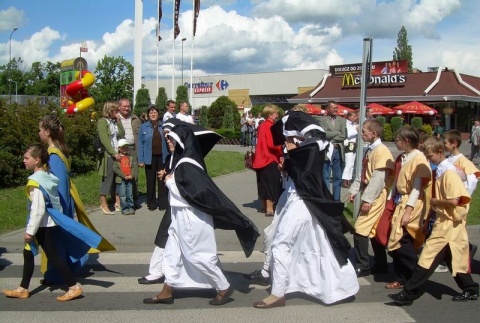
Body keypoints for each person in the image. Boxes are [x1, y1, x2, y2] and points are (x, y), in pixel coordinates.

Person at [143, 124, 259, 305]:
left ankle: (223, 286)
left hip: (191, 217)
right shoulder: (185, 162)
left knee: (197, 254)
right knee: (172, 253)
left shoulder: (187, 164)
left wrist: (168, 181)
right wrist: (171, 179)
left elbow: (192, 193)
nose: (168, 140)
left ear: (181, 140)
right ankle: (167, 290)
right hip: (179, 216)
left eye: (171, 138)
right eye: (168, 137)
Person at [252, 111, 358, 309]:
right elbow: (299, 174)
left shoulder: (311, 147)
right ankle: (333, 286)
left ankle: (278, 293)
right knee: (314, 243)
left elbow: (306, 177)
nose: (285, 140)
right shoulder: (306, 147)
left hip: (302, 202)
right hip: (295, 199)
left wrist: (292, 154)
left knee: (282, 243)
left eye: (287, 136)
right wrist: (288, 162)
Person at [388, 137, 479, 305]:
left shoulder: (448, 173)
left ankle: (408, 294)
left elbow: (457, 200)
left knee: (426, 258)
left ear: (440, 153)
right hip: (446, 223)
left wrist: (437, 203)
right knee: (453, 259)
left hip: (448, 224)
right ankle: (470, 289)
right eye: (427, 158)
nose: (429, 161)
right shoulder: (443, 171)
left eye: (430, 157)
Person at [2, 144, 93, 302]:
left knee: (54, 257)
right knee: (28, 253)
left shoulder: (35, 181)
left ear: (37, 160)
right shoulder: (47, 176)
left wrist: (30, 231)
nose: (23, 161)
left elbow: (38, 209)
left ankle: (73, 287)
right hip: (47, 223)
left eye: (27, 158)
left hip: (42, 225)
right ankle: (23, 288)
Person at [38, 115, 115, 285]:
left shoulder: (53, 155)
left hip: (59, 205)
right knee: (60, 240)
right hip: (63, 202)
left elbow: (58, 184)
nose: (38, 133)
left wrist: (57, 210)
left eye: (40, 130)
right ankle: (58, 272)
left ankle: (57, 275)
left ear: (48, 132)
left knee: (56, 242)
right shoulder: (58, 151)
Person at [386, 126, 431, 290]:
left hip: (411, 202)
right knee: (397, 240)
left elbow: (417, 188)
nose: (395, 143)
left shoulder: (418, 159)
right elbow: (398, 182)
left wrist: (408, 211)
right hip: (400, 201)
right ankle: (402, 276)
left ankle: (415, 275)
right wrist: (390, 199)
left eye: (397, 140)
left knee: (402, 240)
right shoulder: (403, 157)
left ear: (406, 141)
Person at [348, 119, 394, 277]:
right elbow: (362, 173)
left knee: (360, 229)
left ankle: (363, 265)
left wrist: (368, 200)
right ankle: (381, 264)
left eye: (364, 131)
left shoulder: (381, 151)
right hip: (370, 191)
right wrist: (354, 190)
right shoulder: (371, 150)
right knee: (373, 230)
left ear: (373, 134)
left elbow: (378, 179)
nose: (361, 134)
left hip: (376, 194)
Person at [251, 104, 283, 217]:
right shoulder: (270, 126)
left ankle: (265, 207)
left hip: (260, 159)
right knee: (271, 184)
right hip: (270, 159)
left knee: (262, 184)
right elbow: (272, 145)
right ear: (270, 115)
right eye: (276, 113)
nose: (277, 115)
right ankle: (270, 209)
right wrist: (281, 148)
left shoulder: (262, 125)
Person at [138, 105, 168, 211]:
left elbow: (169, 140)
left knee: (162, 180)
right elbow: (140, 144)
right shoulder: (143, 127)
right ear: (148, 115)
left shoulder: (163, 126)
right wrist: (141, 160)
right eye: (151, 113)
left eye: (155, 112)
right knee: (150, 181)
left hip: (162, 157)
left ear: (158, 114)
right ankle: (151, 203)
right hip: (149, 157)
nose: (153, 114)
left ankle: (162, 203)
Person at [97, 101, 125, 215]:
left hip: (117, 153)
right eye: (116, 110)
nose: (118, 112)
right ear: (110, 111)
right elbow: (104, 139)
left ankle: (117, 202)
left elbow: (122, 134)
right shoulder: (102, 122)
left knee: (118, 179)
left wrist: (119, 122)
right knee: (107, 179)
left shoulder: (114, 122)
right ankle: (103, 203)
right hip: (109, 155)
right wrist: (113, 153)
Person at [319, 101, 347, 201]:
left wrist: (331, 135)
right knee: (325, 176)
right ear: (327, 109)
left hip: (338, 150)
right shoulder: (322, 120)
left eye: (336, 107)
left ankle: (336, 200)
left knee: (338, 177)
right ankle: (327, 199)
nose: (335, 109)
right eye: (333, 108)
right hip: (326, 151)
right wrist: (336, 133)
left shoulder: (342, 120)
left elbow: (344, 135)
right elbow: (323, 134)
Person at [117, 98, 141, 208]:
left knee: (134, 174)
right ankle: (122, 202)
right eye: (124, 106)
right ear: (119, 107)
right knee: (122, 175)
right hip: (121, 150)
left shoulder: (135, 118)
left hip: (133, 148)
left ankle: (134, 199)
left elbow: (140, 135)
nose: (127, 108)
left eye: (128, 106)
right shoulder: (115, 119)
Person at [113, 139, 138, 215]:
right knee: (123, 195)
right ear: (119, 148)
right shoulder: (117, 159)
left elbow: (134, 167)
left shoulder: (130, 158)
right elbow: (115, 169)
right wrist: (123, 176)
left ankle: (131, 207)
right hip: (121, 180)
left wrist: (131, 175)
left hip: (129, 179)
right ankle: (124, 208)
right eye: (123, 147)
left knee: (130, 194)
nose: (125, 149)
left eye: (126, 147)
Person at [342, 110, 359, 188]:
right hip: (348, 144)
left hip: (354, 144)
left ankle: (348, 179)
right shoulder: (345, 124)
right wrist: (356, 130)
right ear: (349, 117)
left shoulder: (354, 124)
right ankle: (344, 180)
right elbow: (347, 134)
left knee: (352, 164)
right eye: (354, 116)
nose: (355, 118)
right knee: (348, 163)